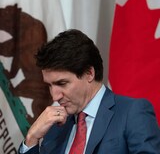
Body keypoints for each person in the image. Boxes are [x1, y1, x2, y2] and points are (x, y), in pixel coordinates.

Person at [19, 29, 160, 154]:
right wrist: (31, 138)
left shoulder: (132, 113)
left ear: (89, 73)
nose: (55, 96)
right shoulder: (55, 126)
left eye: (62, 83)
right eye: (49, 85)